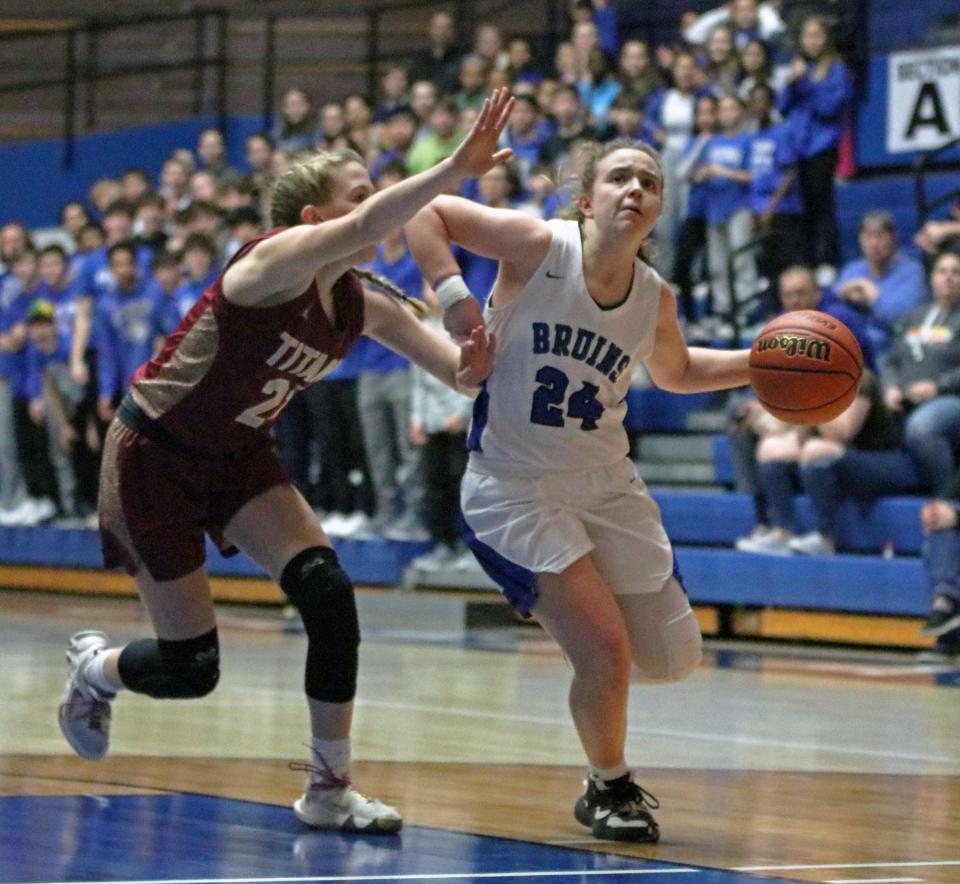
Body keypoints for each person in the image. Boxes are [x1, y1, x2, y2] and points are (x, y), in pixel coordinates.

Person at [56, 89, 513, 835]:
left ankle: (328, 790)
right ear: (314, 221)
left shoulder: (362, 300)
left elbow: (458, 375)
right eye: (359, 194)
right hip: (155, 459)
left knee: (330, 597)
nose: (376, 207)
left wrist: (478, 354)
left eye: (374, 190)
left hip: (238, 455)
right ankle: (96, 670)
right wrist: (453, 169)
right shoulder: (269, 265)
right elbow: (373, 222)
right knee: (191, 670)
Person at [406, 137, 752, 842]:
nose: (635, 189)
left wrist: (762, 361)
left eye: (649, 182)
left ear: (657, 209)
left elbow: (679, 372)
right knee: (606, 651)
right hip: (515, 485)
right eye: (620, 177)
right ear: (588, 199)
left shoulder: (655, 296)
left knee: (670, 658)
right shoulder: (538, 245)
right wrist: (455, 302)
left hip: (606, 483)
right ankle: (609, 787)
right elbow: (426, 212)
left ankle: (587, 653)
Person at [882, 250, 960, 496]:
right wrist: (890, 387)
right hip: (904, 397)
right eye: (942, 272)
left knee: (922, 426)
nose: (949, 278)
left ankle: (945, 501)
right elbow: (892, 360)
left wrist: (937, 386)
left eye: (956, 273)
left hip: (949, 398)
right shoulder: (914, 316)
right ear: (932, 278)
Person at [834, 210, 928, 363]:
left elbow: (903, 319)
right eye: (868, 237)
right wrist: (843, 295)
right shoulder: (852, 270)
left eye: (880, 236)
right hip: (854, 350)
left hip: (895, 351)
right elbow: (835, 309)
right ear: (860, 240)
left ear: (893, 238)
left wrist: (871, 294)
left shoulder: (913, 272)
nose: (874, 243)